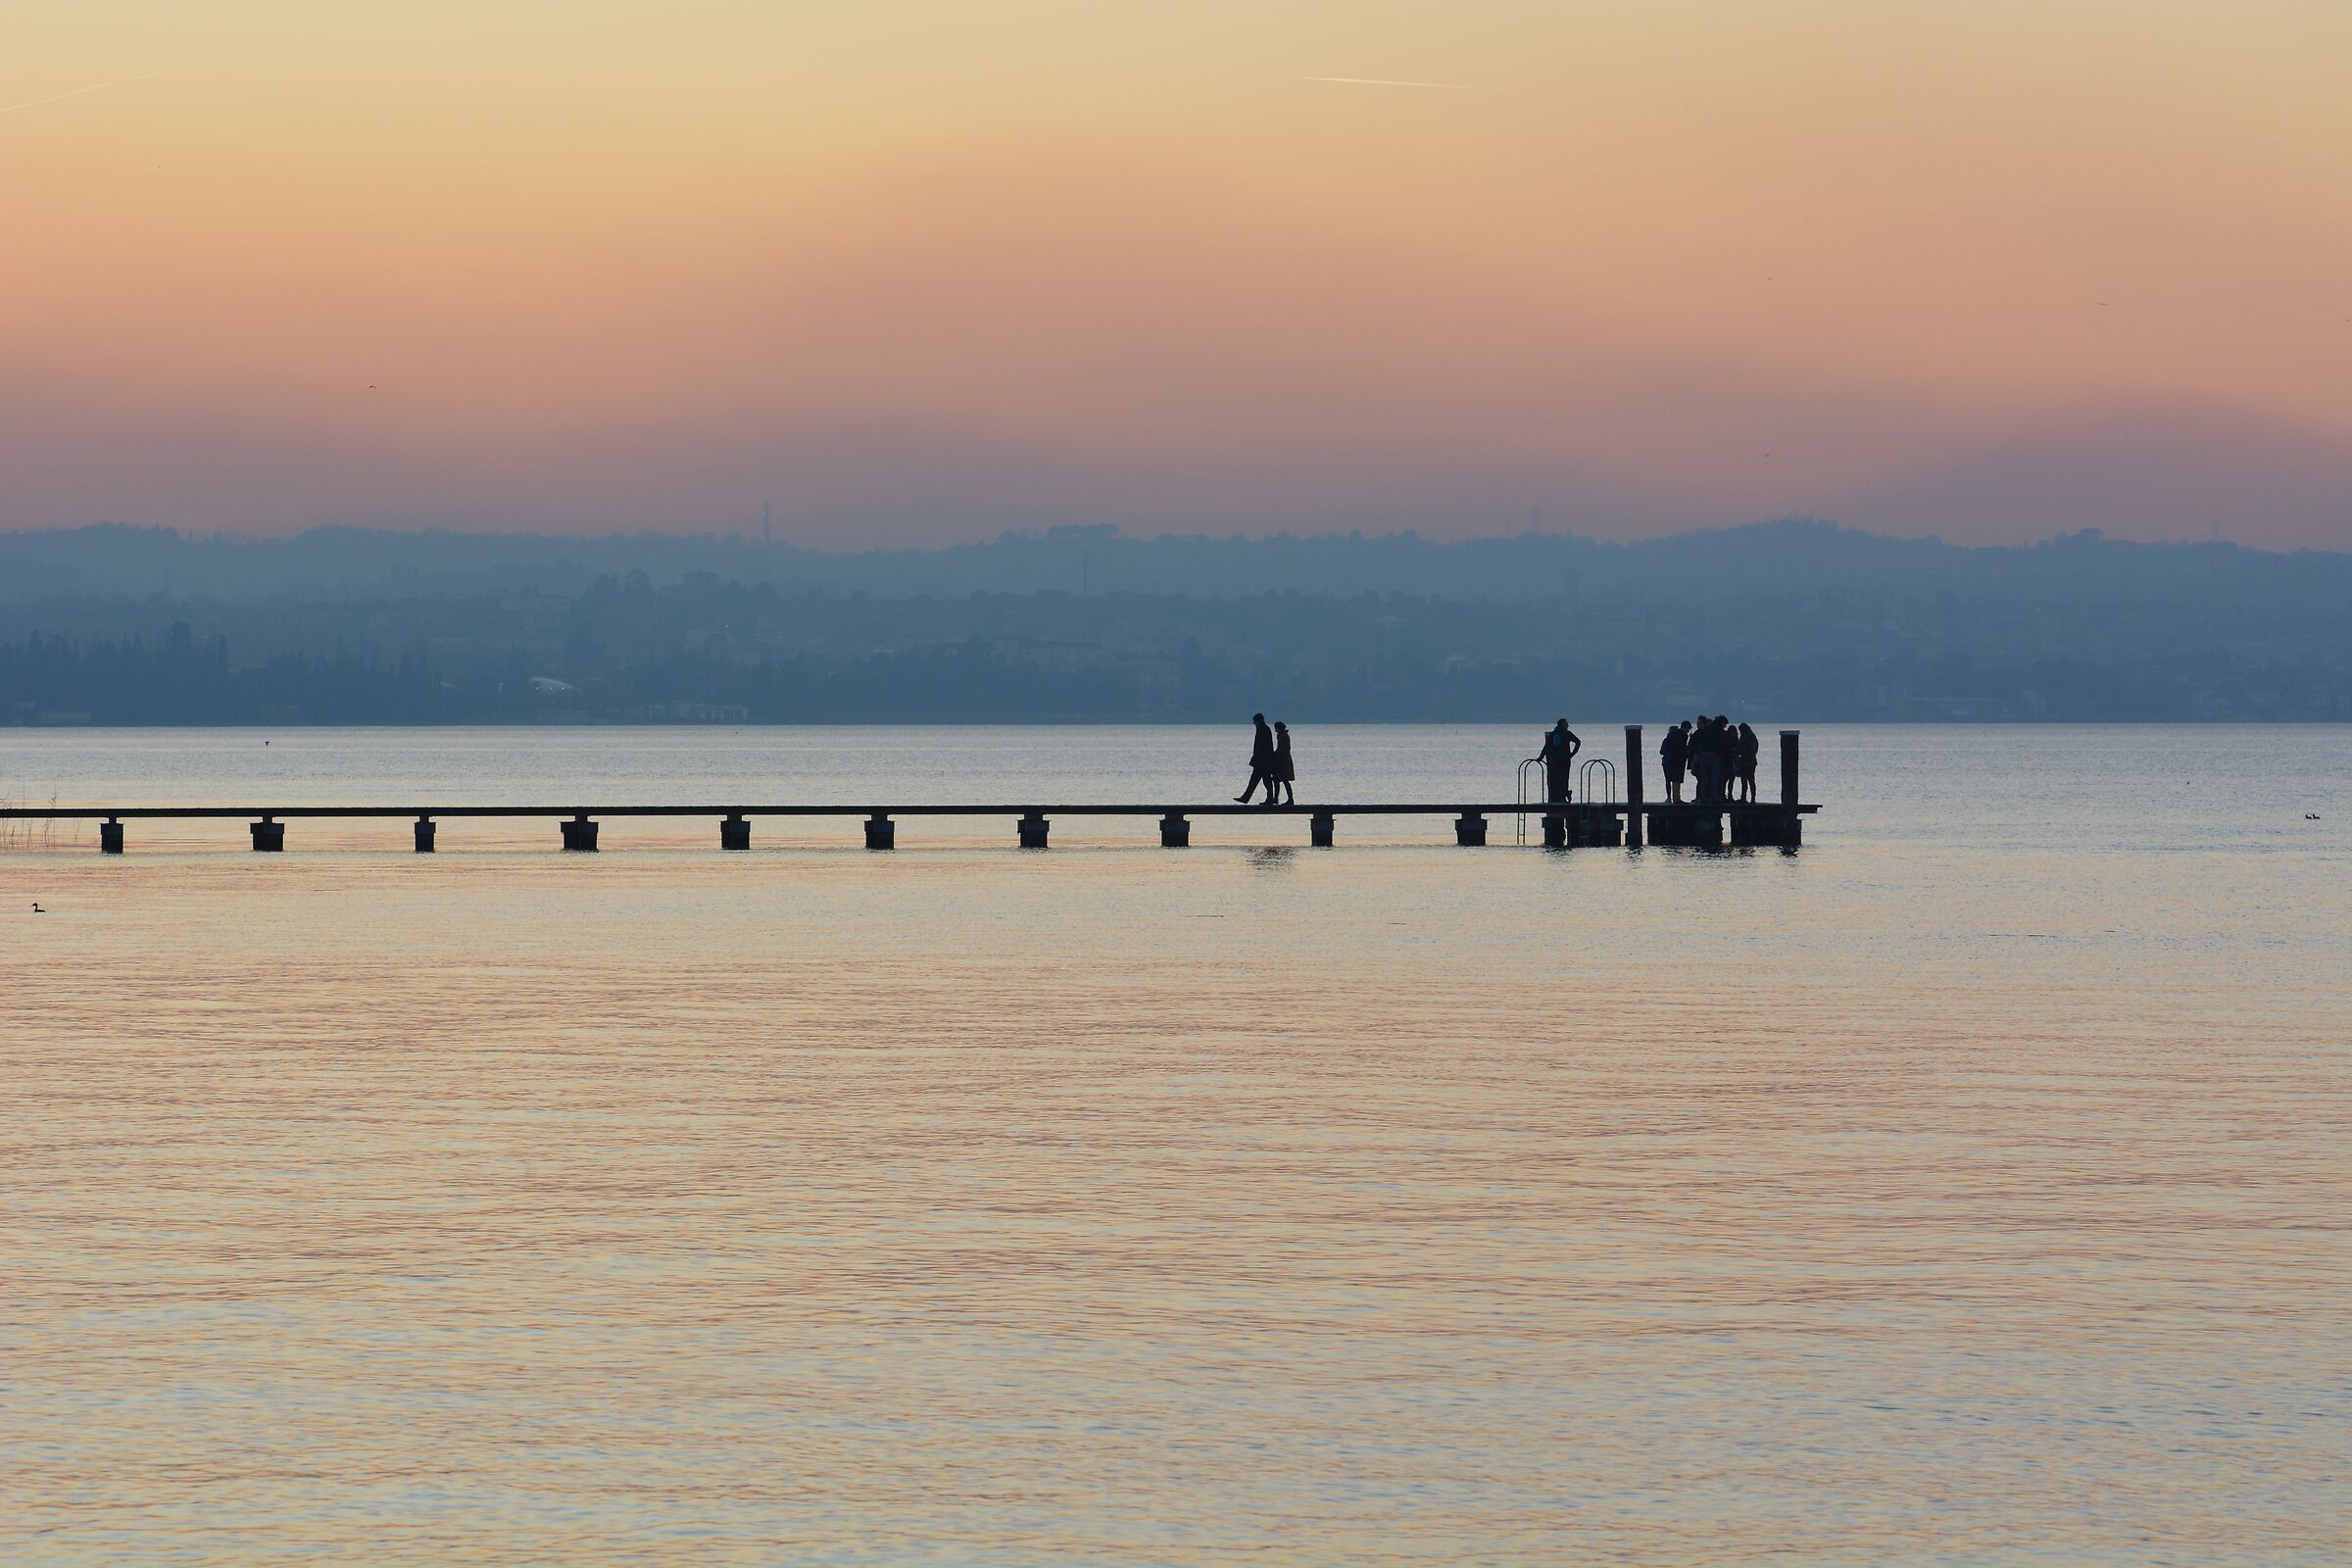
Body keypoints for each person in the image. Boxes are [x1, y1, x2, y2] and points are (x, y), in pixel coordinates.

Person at [1235, 712, 1276, 804]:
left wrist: (1254, 758)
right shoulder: (1266, 729)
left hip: (1262, 761)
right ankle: (1247, 797)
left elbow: (1260, 747)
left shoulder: (1262, 730)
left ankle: (1267, 799)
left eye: (1255, 722)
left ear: (1258, 721)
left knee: (1263, 781)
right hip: (1265, 761)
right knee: (1261, 781)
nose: (1254, 724)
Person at [1539, 719, 1581, 804]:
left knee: (1556, 779)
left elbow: (1546, 746)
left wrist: (1541, 757)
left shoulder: (1553, 734)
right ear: (1562, 724)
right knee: (1564, 779)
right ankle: (1563, 796)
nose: (1568, 726)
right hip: (1564, 760)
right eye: (1566, 724)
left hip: (1555, 760)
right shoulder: (1566, 733)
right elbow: (1578, 742)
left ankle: (1559, 797)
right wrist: (1572, 754)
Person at [1660, 721, 1689, 804]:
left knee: (1669, 780)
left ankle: (1669, 798)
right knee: (1674, 779)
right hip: (1671, 762)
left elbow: (1662, 751)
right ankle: (1673, 797)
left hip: (1667, 762)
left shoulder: (1667, 740)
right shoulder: (1681, 737)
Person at [1272, 721, 1297, 806]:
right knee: (1276, 779)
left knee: (1284, 780)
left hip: (1283, 761)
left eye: (1276, 728)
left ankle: (1290, 799)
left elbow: (1283, 748)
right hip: (1282, 759)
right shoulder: (1283, 735)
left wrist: (1274, 754)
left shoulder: (1282, 736)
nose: (1275, 730)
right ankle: (1276, 798)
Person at [1737, 722, 1760, 804]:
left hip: (1745, 761)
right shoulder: (1753, 736)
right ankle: (1753, 798)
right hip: (1753, 761)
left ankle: (1743, 797)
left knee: (1744, 781)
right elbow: (1756, 748)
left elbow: (1741, 749)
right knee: (1751, 780)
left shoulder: (1744, 737)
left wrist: (1735, 751)